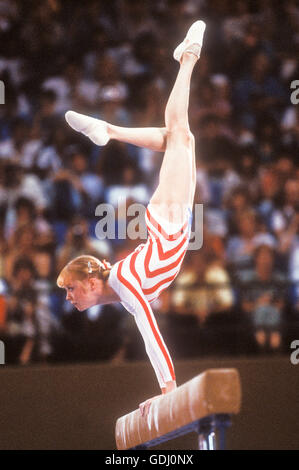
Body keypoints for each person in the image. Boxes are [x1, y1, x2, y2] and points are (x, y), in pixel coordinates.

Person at [57, 20, 206, 417]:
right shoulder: (122, 285)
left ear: (91, 282)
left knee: (179, 132)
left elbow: (150, 332)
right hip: (168, 226)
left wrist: (168, 389)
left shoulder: (122, 282)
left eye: (71, 290)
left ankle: (188, 57)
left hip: (169, 225)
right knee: (180, 136)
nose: (68, 297)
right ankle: (112, 127)